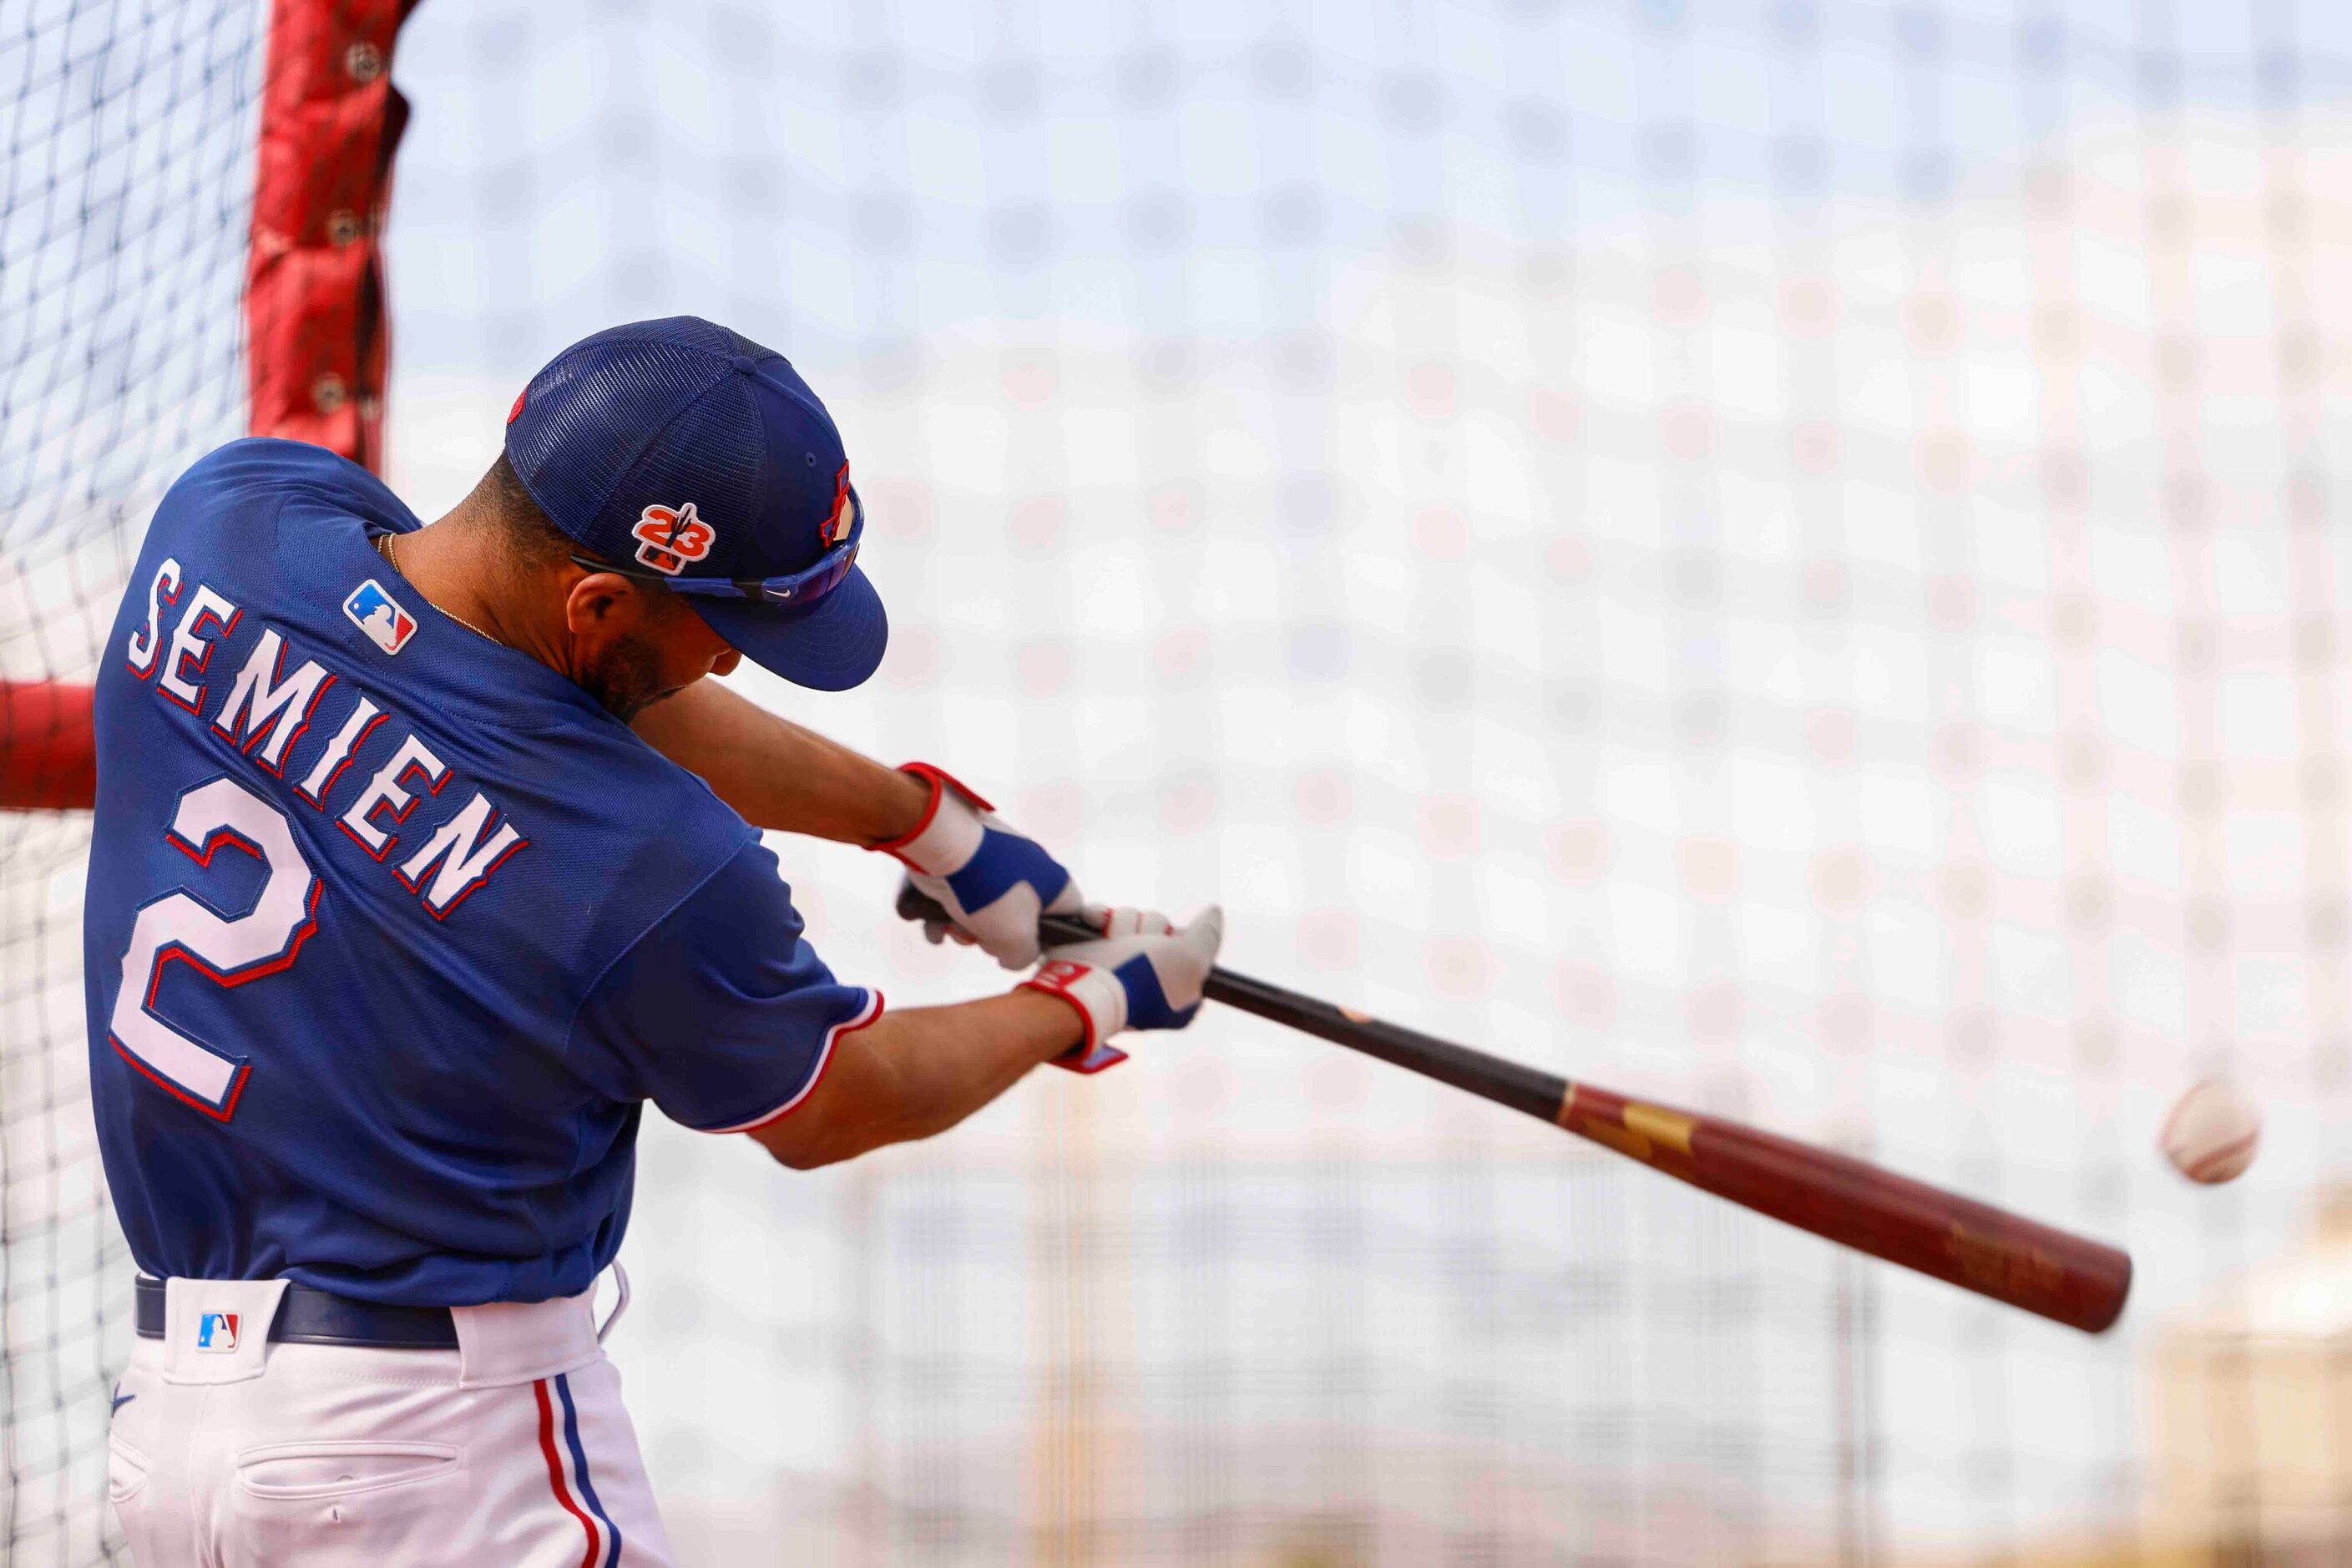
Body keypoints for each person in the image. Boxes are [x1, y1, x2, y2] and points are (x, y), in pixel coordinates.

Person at [84, 316, 1222, 1565]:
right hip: (436, 1461)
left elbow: (488, 674)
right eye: (723, 625)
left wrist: (927, 829)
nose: (734, 656)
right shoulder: (657, 865)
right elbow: (832, 1101)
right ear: (597, 598)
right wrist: (1085, 1001)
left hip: (166, 1439)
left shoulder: (234, 515)